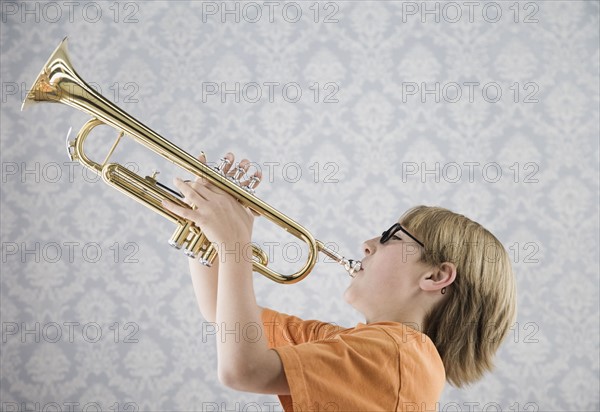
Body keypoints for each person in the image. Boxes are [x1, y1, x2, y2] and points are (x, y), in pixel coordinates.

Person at [162, 152, 517, 411]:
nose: (367, 244)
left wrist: (235, 244)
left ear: (436, 276)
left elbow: (244, 371)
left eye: (392, 236)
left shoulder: (398, 352)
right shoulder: (358, 348)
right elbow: (219, 312)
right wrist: (207, 227)